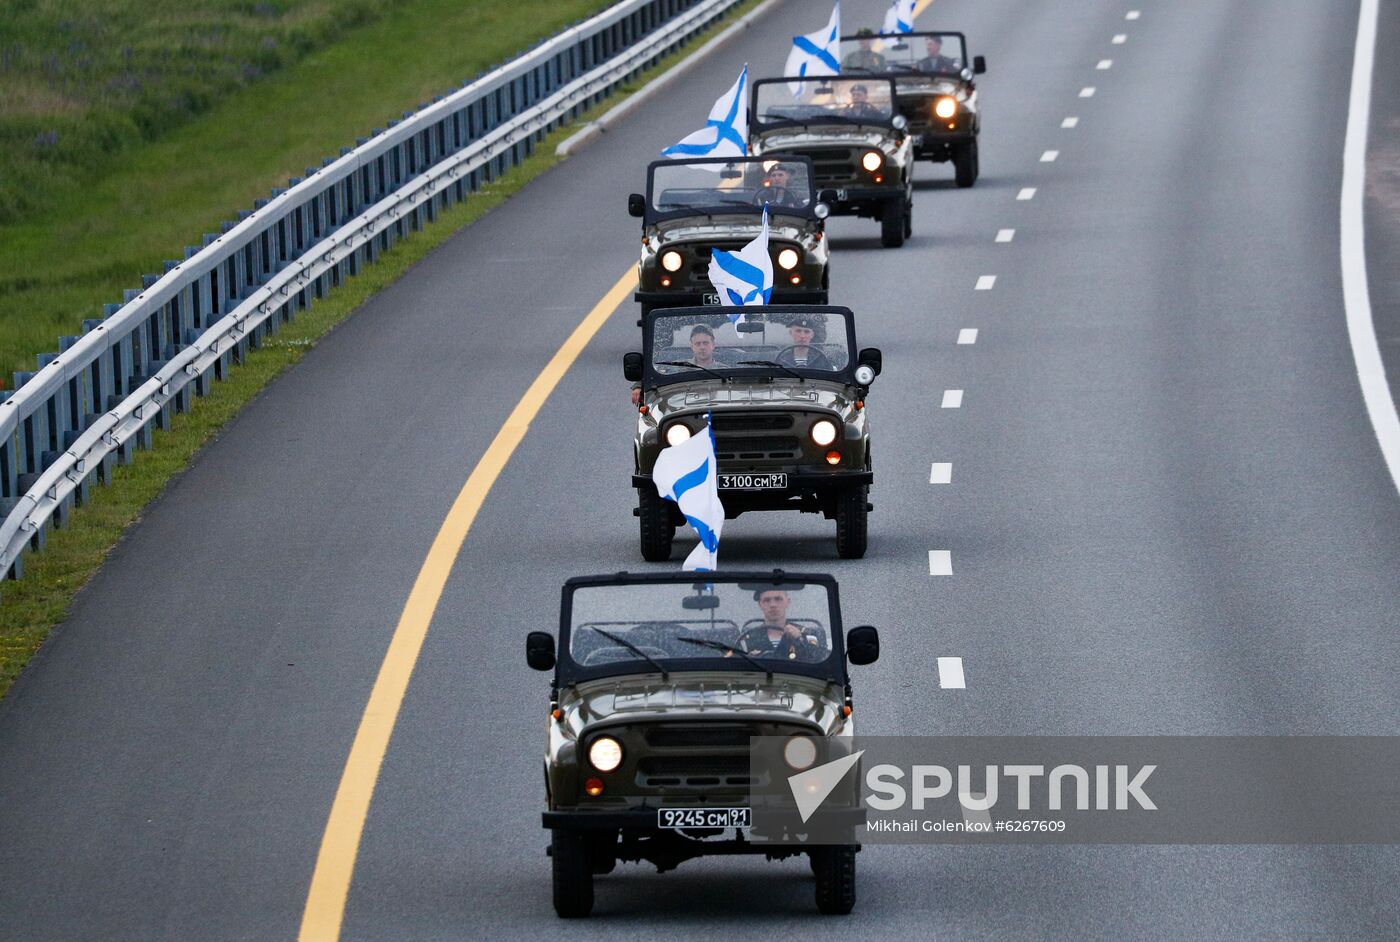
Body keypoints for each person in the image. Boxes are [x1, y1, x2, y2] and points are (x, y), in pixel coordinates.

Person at [632, 324, 723, 405]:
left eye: (705, 343)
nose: (702, 347)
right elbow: (656, 374)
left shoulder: (723, 370)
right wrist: (639, 387)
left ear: (713, 345)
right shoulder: (680, 367)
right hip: (686, 409)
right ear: (692, 346)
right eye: (698, 344)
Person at [741, 589, 824, 661]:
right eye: (767, 600)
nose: (773, 605)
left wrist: (799, 639)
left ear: (788, 602)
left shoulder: (806, 634)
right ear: (760, 605)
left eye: (778, 599)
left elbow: (818, 659)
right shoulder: (749, 637)